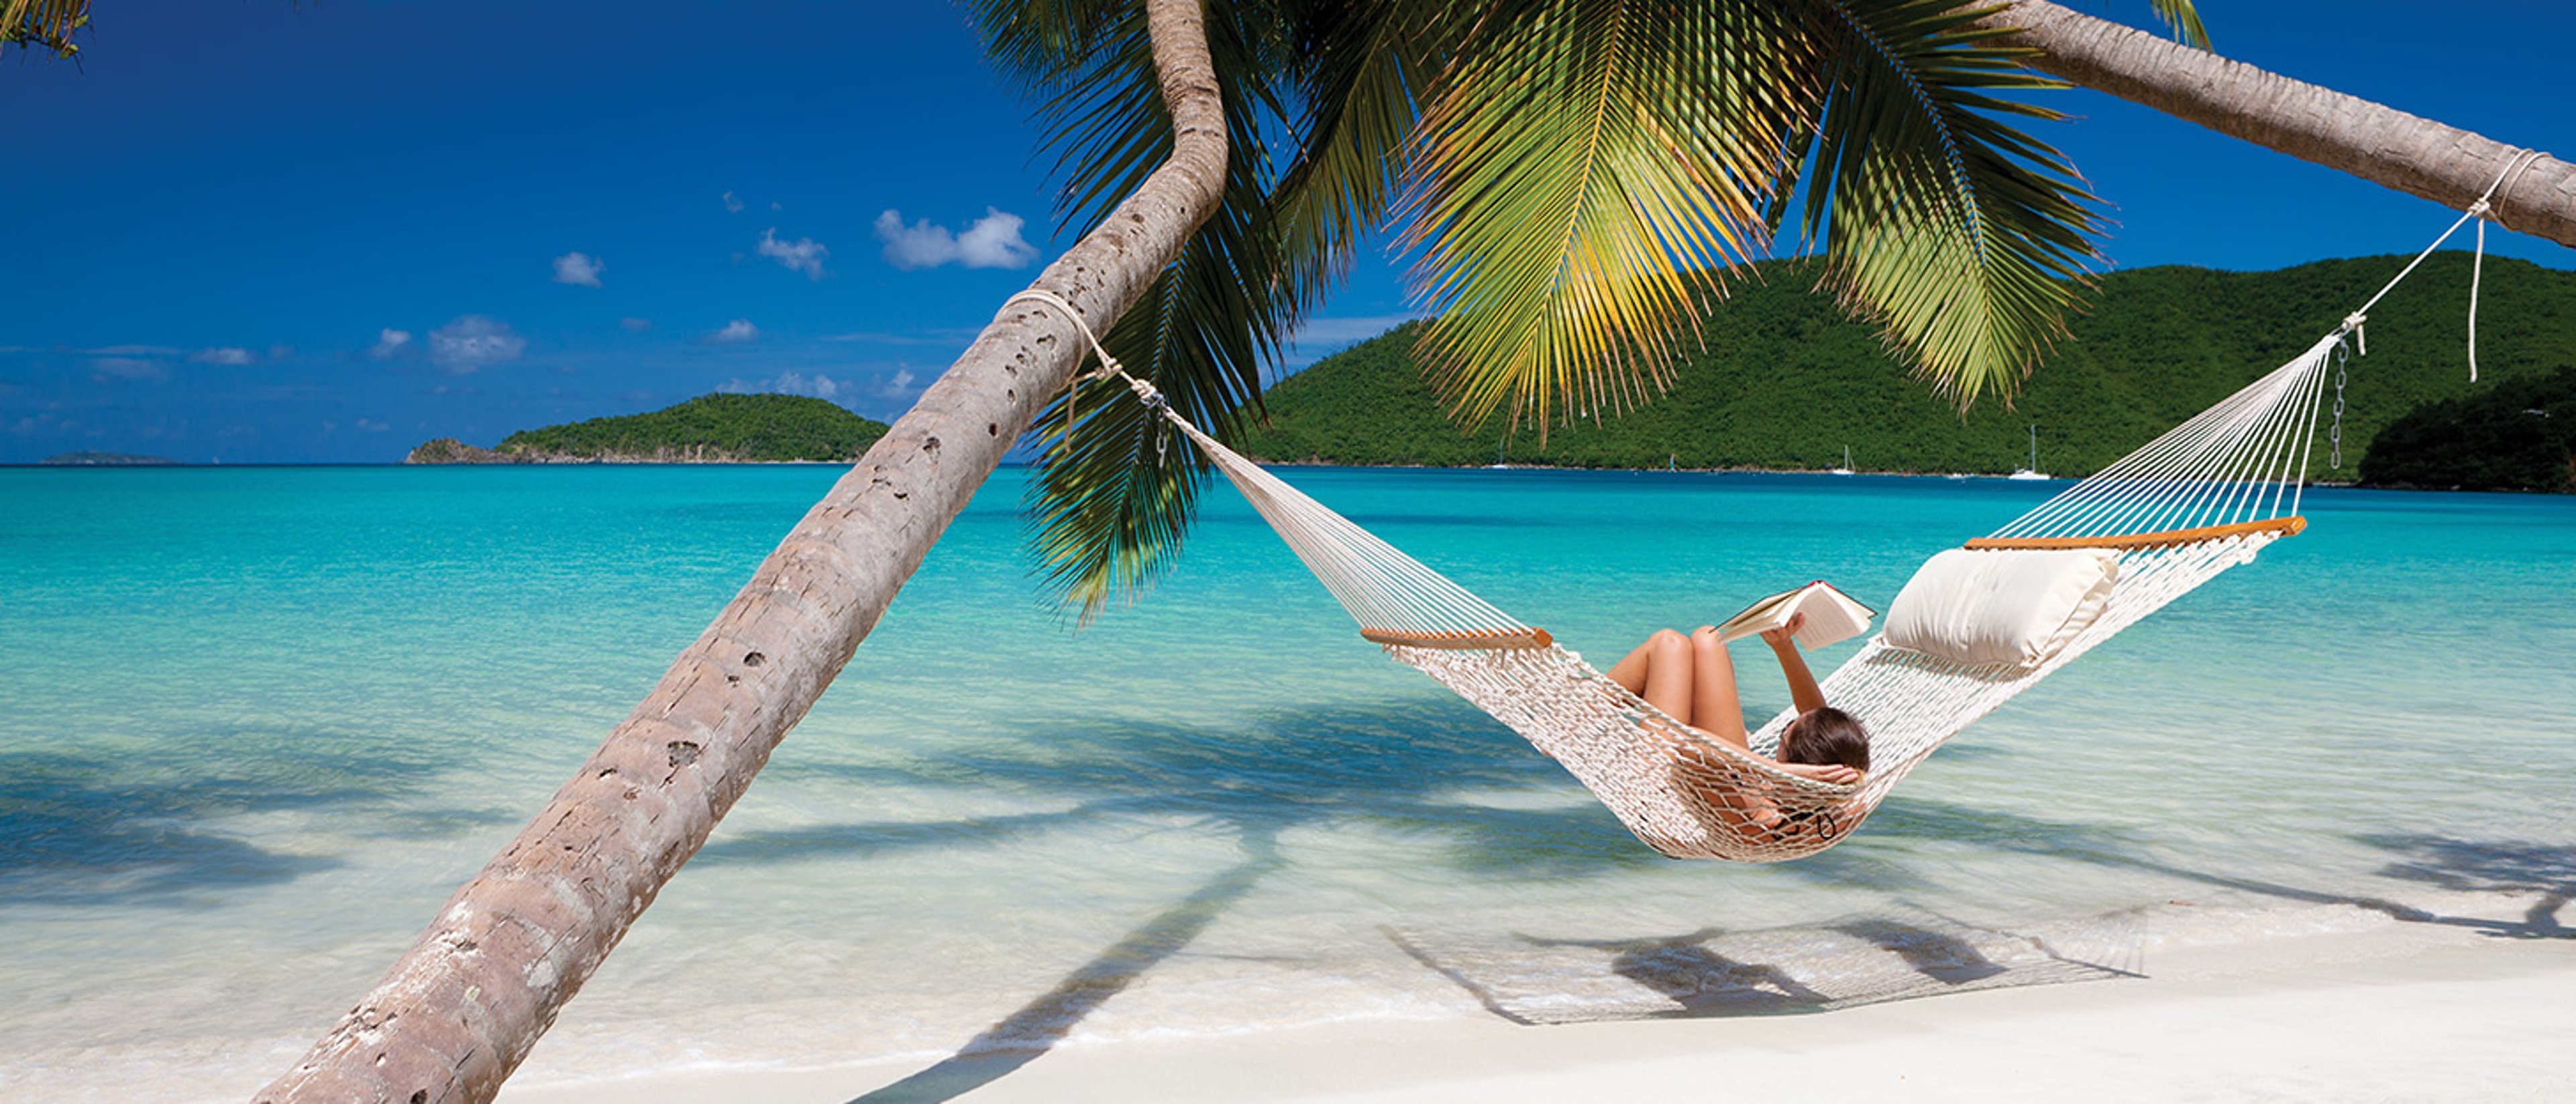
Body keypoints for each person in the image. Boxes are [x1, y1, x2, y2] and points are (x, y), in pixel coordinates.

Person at [1603, 611, 1871, 787]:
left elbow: (1687, 742)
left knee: (1667, 644)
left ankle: (1574, 715)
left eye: (1783, 734)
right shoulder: (1832, 795)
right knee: (1709, 638)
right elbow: (1817, 722)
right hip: (1723, 769)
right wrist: (1784, 647)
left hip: (1656, 774)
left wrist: (1771, 770)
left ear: (1795, 767)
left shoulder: (1760, 813)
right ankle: (1574, 709)